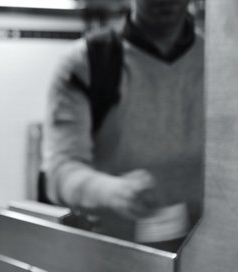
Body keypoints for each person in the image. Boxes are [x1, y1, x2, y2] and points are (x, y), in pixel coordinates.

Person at [41, 0, 203, 247]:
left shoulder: (222, 63)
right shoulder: (87, 63)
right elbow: (60, 172)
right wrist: (112, 191)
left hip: (206, 256)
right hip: (112, 259)